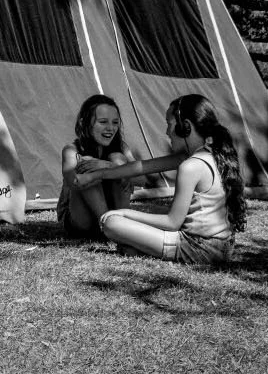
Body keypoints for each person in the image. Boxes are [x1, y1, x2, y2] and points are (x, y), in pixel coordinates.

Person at [86, 94, 247, 263]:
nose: (167, 132)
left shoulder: (190, 166)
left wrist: (126, 212)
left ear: (185, 127)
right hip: (223, 247)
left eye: (169, 124)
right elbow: (142, 167)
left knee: (112, 223)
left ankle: (142, 248)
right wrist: (99, 173)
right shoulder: (211, 153)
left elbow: (172, 222)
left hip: (197, 248)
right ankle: (139, 249)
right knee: (147, 210)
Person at [58, 94, 135, 241]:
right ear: (84, 123)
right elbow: (73, 181)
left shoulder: (121, 148)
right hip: (80, 219)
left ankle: (120, 226)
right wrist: (98, 169)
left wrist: (107, 166)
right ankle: (109, 227)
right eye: (103, 122)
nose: (110, 128)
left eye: (115, 122)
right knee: (85, 166)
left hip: (112, 210)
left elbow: (144, 179)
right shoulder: (71, 150)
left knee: (119, 161)